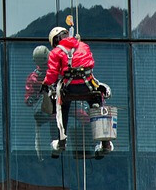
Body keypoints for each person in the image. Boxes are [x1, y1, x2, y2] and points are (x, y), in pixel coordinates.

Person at [41, 27, 113, 158]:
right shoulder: (84, 46)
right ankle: (105, 143)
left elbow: (52, 75)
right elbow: (91, 63)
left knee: (62, 104)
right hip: (88, 86)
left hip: (70, 88)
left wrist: (45, 84)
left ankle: (61, 140)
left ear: (56, 40)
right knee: (97, 99)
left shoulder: (55, 52)